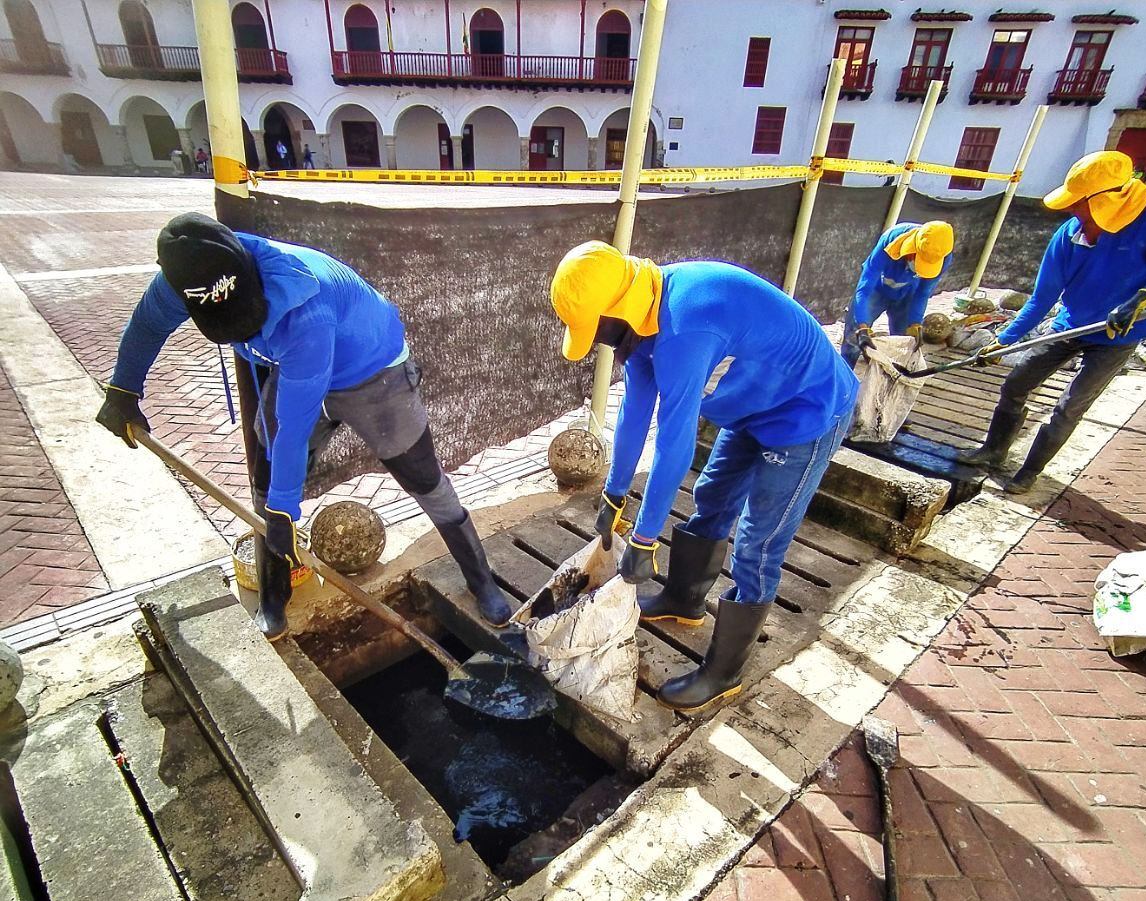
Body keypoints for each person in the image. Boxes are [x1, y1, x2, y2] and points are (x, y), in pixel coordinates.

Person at [96, 213, 511, 638]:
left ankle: (481, 580)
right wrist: (123, 390)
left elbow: (293, 427)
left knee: (423, 478)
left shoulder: (304, 305)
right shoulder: (188, 273)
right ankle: (273, 598)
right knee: (266, 480)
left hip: (374, 374)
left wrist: (285, 510)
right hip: (295, 367)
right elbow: (147, 326)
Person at [550, 242, 857, 714]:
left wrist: (645, 538)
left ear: (617, 313)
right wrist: (613, 495)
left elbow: (675, 442)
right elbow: (635, 414)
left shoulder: (685, 327)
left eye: (598, 331)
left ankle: (724, 673)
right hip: (752, 407)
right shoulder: (643, 320)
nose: (600, 342)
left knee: (758, 541)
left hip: (806, 413)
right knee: (712, 494)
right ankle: (684, 599)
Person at [959, 151, 1146, 493]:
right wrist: (1004, 340)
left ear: (1106, 201)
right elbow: (1042, 298)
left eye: (1078, 203)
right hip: (1071, 325)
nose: (1070, 210)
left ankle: (1029, 471)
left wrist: (1145, 299)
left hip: (1120, 333)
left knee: (1070, 406)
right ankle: (994, 450)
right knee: (1016, 384)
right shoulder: (1069, 234)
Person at [842, 220, 954, 363]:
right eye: (918, 259)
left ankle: (892, 373)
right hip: (876, 289)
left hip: (908, 293)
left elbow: (923, 292)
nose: (916, 264)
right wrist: (862, 327)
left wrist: (915, 322)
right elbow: (865, 287)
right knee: (854, 337)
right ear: (913, 246)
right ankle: (844, 372)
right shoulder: (892, 240)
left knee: (903, 343)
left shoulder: (943, 258)